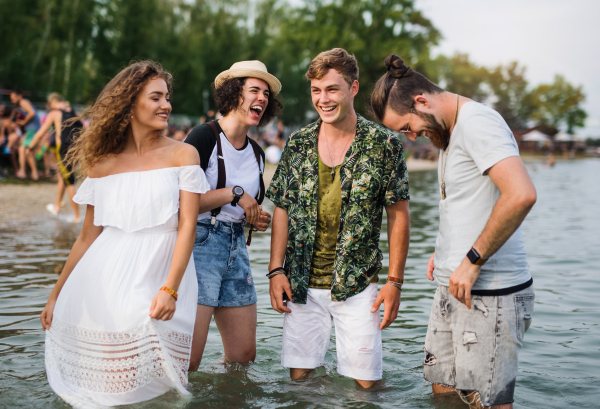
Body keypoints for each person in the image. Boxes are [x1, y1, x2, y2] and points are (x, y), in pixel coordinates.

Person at [39, 61, 210, 407]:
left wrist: (170, 288)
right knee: (113, 383)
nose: (166, 105)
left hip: (162, 272)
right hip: (106, 274)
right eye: (156, 97)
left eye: (167, 97)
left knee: (155, 378)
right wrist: (56, 294)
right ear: (130, 105)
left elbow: (187, 225)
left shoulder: (183, 154)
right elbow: (87, 237)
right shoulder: (103, 164)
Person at [372, 54, 537, 409]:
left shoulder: (478, 123)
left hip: (491, 292)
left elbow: (521, 194)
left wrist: (473, 258)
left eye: (407, 127)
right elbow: (468, 201)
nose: (411, 137)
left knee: (484, 404)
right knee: (444, 393)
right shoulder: (451, 131)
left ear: (421, 101)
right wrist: (446, 251)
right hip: (452, 285)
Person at [267, 48, 411, 388]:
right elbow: (282, 208)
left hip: (359, 285)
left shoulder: (384, 144)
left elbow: (399, 216)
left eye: (332, 89)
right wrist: (275, 270)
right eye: (316, 90)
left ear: (353, 88)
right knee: (300, 385)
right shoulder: (298, 143)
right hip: (301, 283)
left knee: (366, 387)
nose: (323, 98)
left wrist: (395, 282)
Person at [184, 60, 281, 370]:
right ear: (233, 94)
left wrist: (256, 218)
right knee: (189, 360)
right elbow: (178, 203)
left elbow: (246, 207)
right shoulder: (203, 137)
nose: (262, 98)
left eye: (266, 94)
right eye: (254, 90)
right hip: (199, 246)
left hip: (237, 249)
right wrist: (234, 194)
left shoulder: (257, 153)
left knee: (243, 358)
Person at [29, 93, 82, 222]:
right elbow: (84, 129)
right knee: (62, 177)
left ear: (52, 102)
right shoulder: (73, 112)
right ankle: (57, 206)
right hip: (76, 150)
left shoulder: (54, 113)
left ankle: (77, 216)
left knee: (70, 182)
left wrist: (31, 147)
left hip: (63, 150)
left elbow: (41, 132)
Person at [10, 87, 41, 180]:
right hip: (32, 129)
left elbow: (32, 113)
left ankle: (23, 172)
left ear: (19, 96)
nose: (12, 101)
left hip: (32, 129)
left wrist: (24, 122)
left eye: (14, 98)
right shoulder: (23, 103)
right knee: (27, 151)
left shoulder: (23, 102)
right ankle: (32, 173)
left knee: (23, 149)